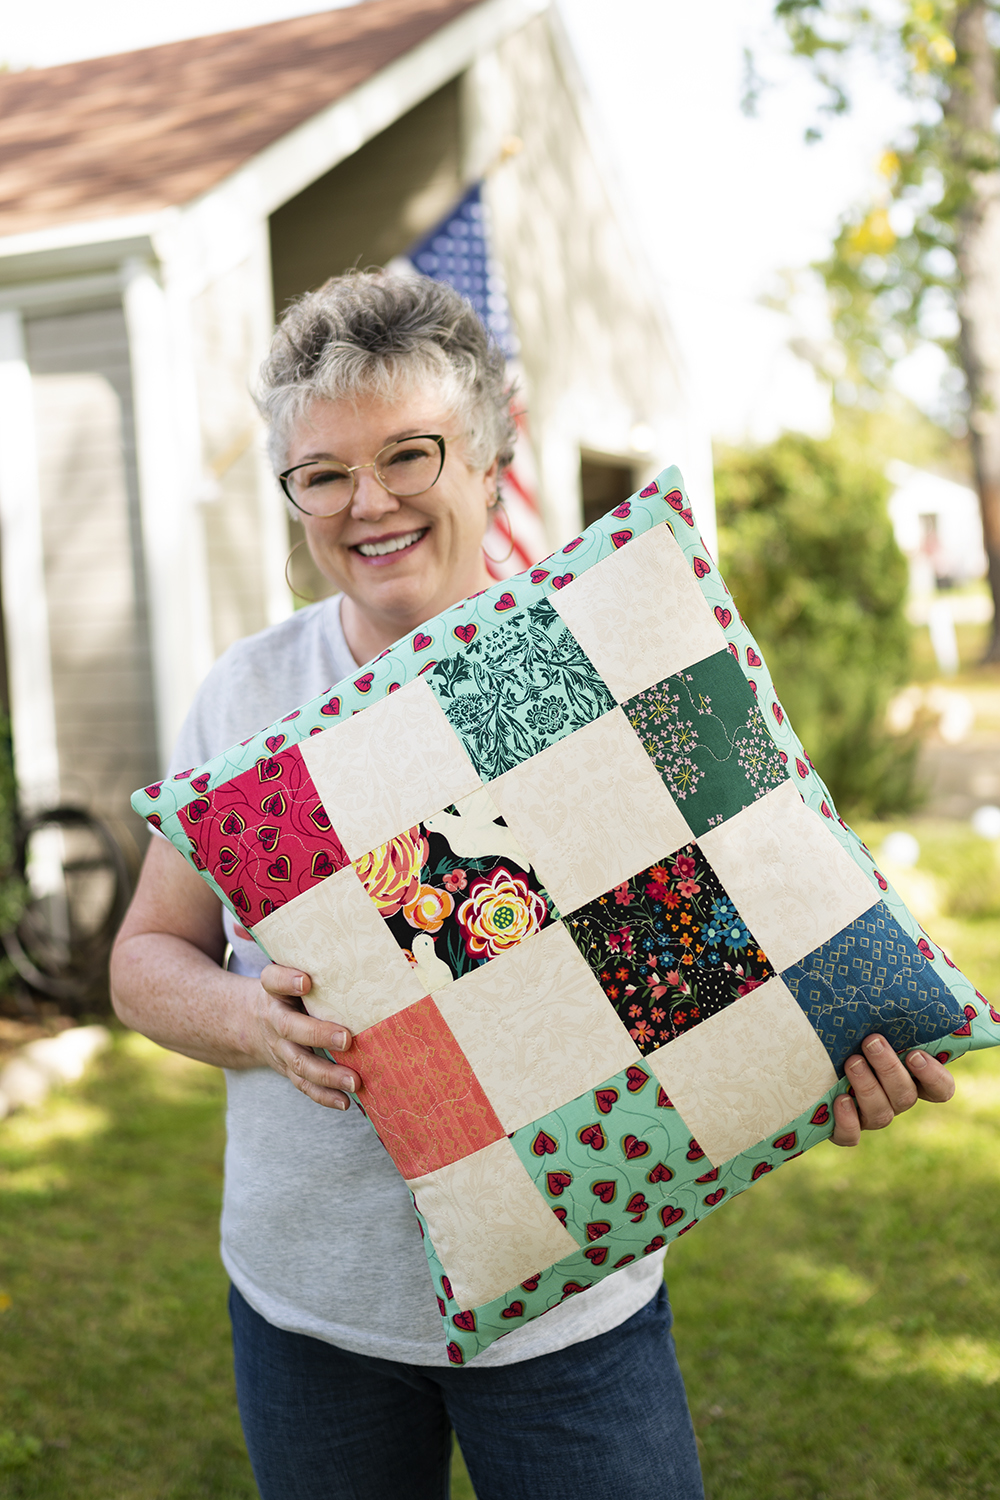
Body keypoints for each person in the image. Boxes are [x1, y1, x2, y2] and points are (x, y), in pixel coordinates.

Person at [110, 272, 956, 1500]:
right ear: (291, 495)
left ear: (492, 458)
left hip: (572, 1325)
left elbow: (729, 904)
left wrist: (835, 1043)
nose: (370, 502)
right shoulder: (242, 704)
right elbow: (143, 958)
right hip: (311, 1314)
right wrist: (244, 1018)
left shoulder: (605, 656)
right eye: (324, 473)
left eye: (410, 454)